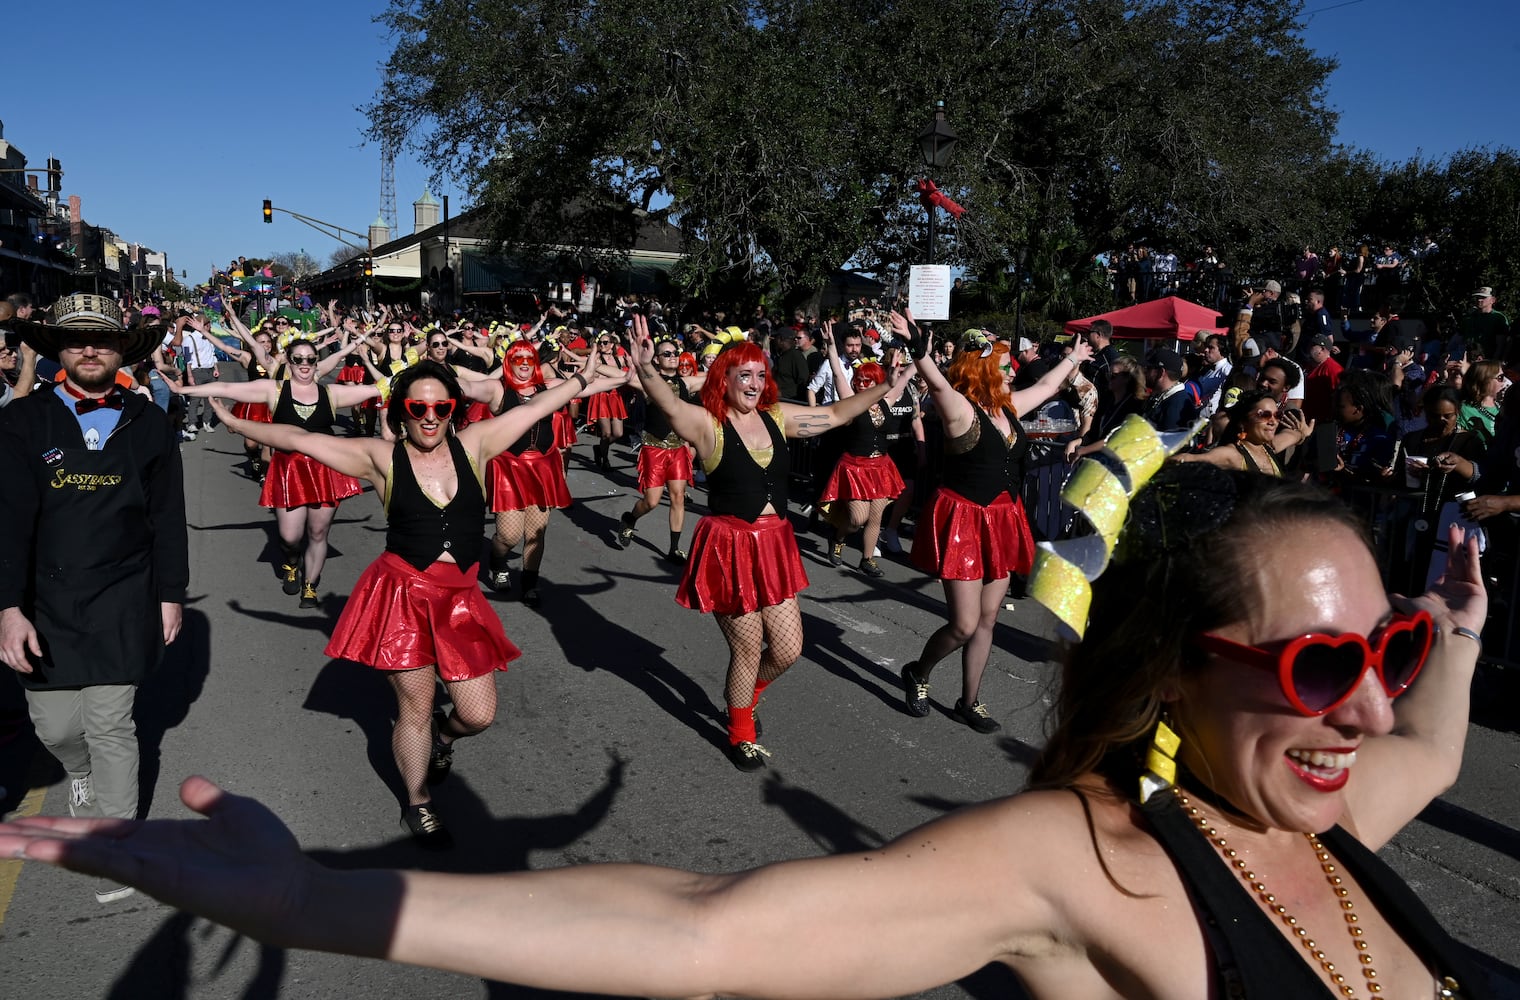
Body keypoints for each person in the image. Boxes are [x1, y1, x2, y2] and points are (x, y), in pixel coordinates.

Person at [1, 468, 1491, 998]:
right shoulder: (1098, 865)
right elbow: (710, 933)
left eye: (1392, 651)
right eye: (1316, 664)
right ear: (1176, 670)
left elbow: (1424, 748)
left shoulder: (1338, 816)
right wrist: (322, 902)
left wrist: (1463, 638)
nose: (1367, 705)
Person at [202, 359, 622, 845]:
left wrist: (580, 378)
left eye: (440, 406)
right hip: (402, 595)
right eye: (417, 406)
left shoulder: (477, 443)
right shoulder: (380, 457)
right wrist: (235, 423)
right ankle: (418, 802)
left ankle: (445, 739)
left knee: (478, 713)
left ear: (452, 410)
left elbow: (538, 407)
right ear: (402, 410)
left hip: (460, 600)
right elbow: (299, 439)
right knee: (414, 707)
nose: (429, 416)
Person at [629, 315, 907, 771]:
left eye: (761, 374)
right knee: (746, 646)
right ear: (726, 379)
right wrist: (647, 372)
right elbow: (673, 408)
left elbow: (836, 414)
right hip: (729, 547)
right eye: (745, 375)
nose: (755, 383)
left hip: (774, 543)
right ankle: (740, 729)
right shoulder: (708, 424)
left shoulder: (779, 417)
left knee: (788, 649)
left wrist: (885, 386)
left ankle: (744, 697)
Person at [0, 293, 188, 904]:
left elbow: (168, 517)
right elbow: (7, 522)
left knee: (111, 723)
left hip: (123, 594)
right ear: (57, 348)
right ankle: (77, 775)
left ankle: (115, 845)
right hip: (45, 597)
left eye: (101, 339)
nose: (88, 348)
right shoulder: (22, 421)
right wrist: (7, 608)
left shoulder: (150, 421)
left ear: (120, 351)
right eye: (76, 338)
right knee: (54, 727)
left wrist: (171, 594)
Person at [898, 311, 1093, 733]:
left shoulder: (1008, 407)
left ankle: (970, 700)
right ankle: (919, 671)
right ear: (983, 369)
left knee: (988, 620)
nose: (1012, 372)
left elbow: (1045, 387)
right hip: (965, 520)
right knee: (964, 624)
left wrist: (1074, 357)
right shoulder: (960, 411)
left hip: (1003, 519)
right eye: (1005, 366)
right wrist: (919, 348)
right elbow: (936, 382)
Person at [175, 338, 381, 607]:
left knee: (319, 532)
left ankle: (310, 584)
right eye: (298, 359)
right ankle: (291, 562)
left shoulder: (331, 393)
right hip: (289, 470)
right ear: (288, 360)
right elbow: (227, 387)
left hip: (326, 470)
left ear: (316, 363)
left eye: (310, 359)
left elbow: (377, 389)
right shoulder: (274, 390)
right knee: (289, 537)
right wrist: (184, 389)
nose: (304, 365)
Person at [817, 328, 906, 578]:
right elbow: (837, 372)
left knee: (876, 517)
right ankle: (838, 536)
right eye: (859, 381)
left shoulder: (887, 400)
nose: (862, 385)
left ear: (877, 382)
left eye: (868, 381)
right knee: (857, 518)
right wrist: (832, 347)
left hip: (881, 467)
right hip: (855, 467)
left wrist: (921, 350)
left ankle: (867, 560)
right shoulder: (851, 402)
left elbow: (907, 374)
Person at [612, 333, 705, 562]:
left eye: (675, 354)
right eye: (667, 354)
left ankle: (674, 548)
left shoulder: (686, 382)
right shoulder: (649, 383)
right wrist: (591, 370)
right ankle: (630, 518)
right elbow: (621, 376)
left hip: (678, 450)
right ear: (656, 359)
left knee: (678, 498)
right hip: (654, 449)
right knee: (651, 501)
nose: (673, 357)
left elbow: (718, 374)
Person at [1172, 389, 1312, 475]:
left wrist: (1303, 432)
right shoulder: (1233, 454)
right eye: (1264, 415)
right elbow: (1189, 459)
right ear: (1243, 422)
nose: (1273, 421)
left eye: (1277, 415)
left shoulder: (1268, 447)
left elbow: (1293, 435)